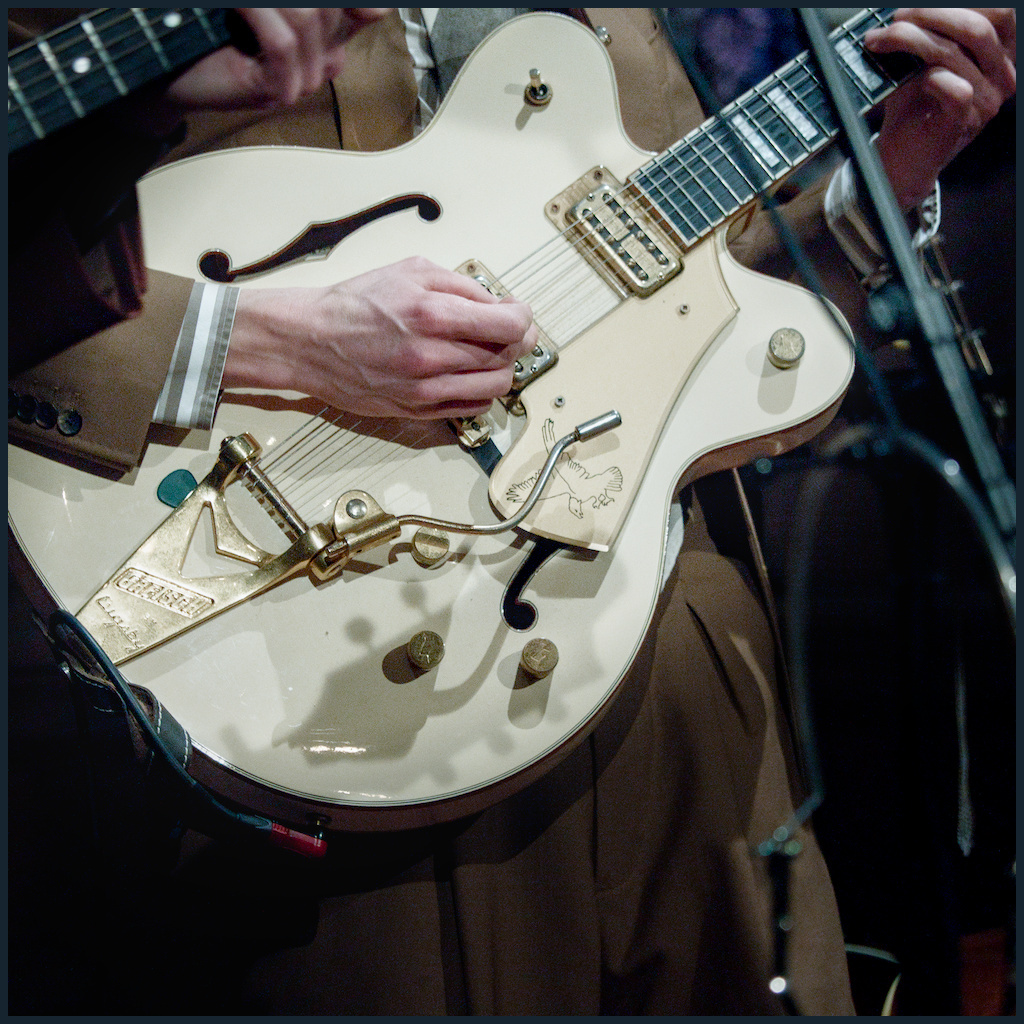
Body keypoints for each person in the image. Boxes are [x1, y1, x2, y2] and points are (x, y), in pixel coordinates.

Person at [7, 7, 1015, 1015]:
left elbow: (706, 302)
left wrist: (878, 188)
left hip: (664, 676)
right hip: (304, 700)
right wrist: (264, 339)